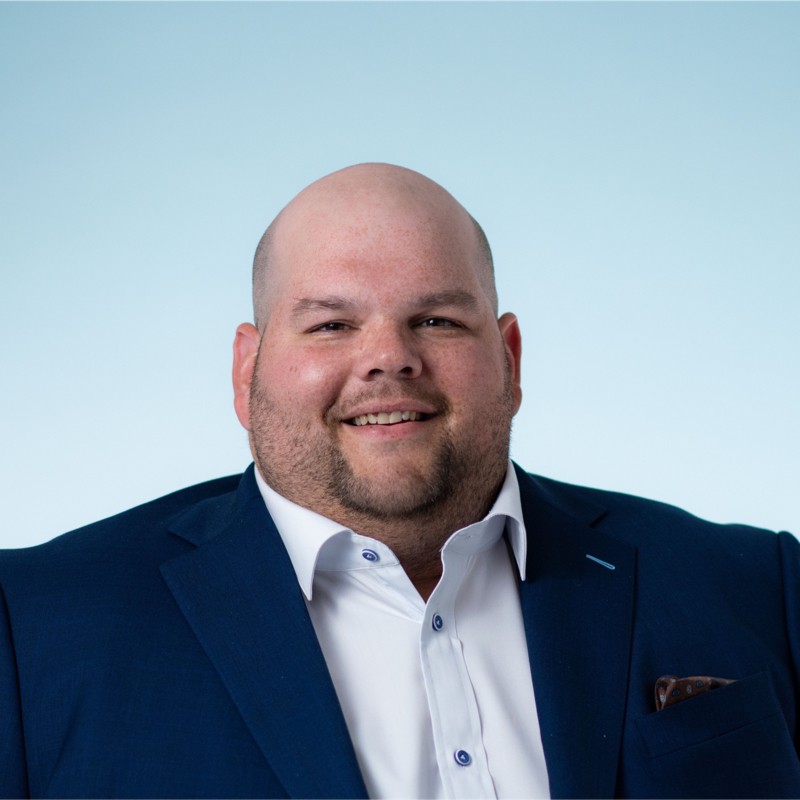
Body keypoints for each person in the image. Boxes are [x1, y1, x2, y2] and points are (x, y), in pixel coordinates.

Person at [1, 163, 798, 800]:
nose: (389, 358)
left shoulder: (759, 587)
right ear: (247, 372)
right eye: (331, 324)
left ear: (510, 360)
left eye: (437, 320)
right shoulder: (35, 628)